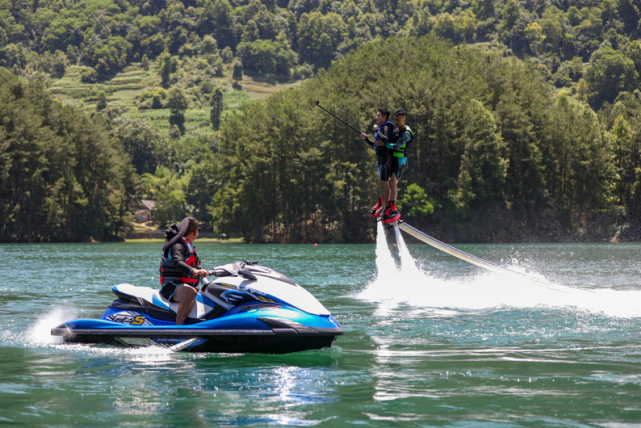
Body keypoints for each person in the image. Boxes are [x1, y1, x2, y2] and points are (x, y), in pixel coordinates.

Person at [159, 217, 209, 325]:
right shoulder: (178, 245)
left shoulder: (188, 246)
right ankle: (179, 329)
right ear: (195, 232)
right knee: (190, 292)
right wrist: (193, 271)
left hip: (184, 285)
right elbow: (178, 262)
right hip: (171, 286)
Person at [360, 107, 395, 219]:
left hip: (386, 158)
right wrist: (366, 139)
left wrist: (376, 130)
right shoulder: (381, 128)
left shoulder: (387, 126)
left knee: (385, 183)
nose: (376, 117)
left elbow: (385, 140)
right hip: (380, 158)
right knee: (382, 183)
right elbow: (375, 145)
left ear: (384, 117)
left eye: (378, 115)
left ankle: (385, 206)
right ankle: (383, 204)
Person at [381, 109, 413, 223]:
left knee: (393, 182)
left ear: (404, 119)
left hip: (400, 160)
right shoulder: (396, 130)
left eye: (398, 120)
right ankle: (384, 203)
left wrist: (385, 144)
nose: (396, 122)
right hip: (392, 159)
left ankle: (393, 207)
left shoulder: (407, 132)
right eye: (395, 120)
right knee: (384, 180)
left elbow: (398, 146)